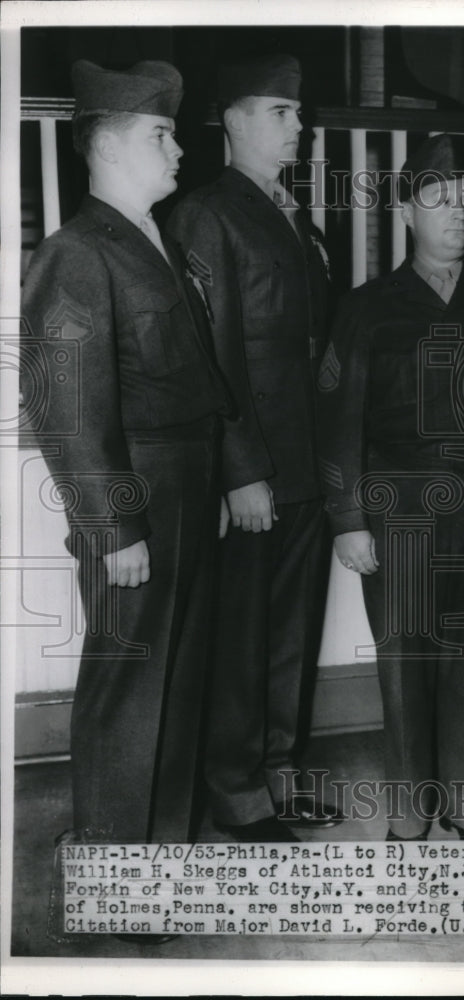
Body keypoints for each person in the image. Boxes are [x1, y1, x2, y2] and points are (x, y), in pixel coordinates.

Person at [21, 60, 230, 850]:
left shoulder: (153, 243)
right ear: (106, 146)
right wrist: (114, 528)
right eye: (161, 134)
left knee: (176, 679)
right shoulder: (78, 253)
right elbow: (65, 410)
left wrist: (210, 482)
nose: (178, 151)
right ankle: (115, 872)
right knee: (130, 687)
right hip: (136, 497)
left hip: (184, 483)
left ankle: (162, 856)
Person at [317, 134, 464, 840]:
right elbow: (337, 417)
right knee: (406, 659)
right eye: (439, 200)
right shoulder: (366, 307)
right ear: (407, 211)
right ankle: (411, 813)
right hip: (400, 509)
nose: (457, 214)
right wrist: (347, 518)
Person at [167, 54, 340, 843]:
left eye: (295, 113)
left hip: (302, 463)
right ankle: (235, 795)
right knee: (239, 640)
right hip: (254, 471)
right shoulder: (207, 214)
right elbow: (214, 356)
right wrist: (241, 472)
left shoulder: (291, 215)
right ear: (231, 120)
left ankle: (277, 778)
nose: (296, 125)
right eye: (278, 111)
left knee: (289, 635)